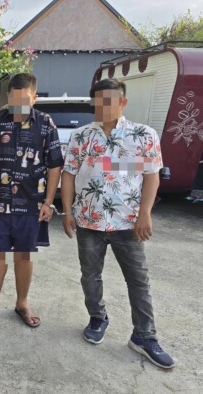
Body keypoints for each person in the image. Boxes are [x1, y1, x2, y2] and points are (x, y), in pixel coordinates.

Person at [61, 78, 175, 369]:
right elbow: (69, 174)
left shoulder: (143, 135)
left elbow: (151, 175)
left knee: (138, 280)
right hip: (89, 220)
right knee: (90, 275)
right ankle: (97, 318)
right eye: (98, 102)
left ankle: (144, 336)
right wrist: (67, 211)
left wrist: (145, 213)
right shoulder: (81, 136)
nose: (102, 107)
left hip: (127, 222)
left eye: (109, 101)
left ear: (123, 102)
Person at [0, 73, 63, 327]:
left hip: (31, 204)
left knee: (24, 256)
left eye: (25, 99)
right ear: (8, 97)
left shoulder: (45, 124)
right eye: (15, 99)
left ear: (34, 98)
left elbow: (55, 164)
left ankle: (22, 302)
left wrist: (48, 202)